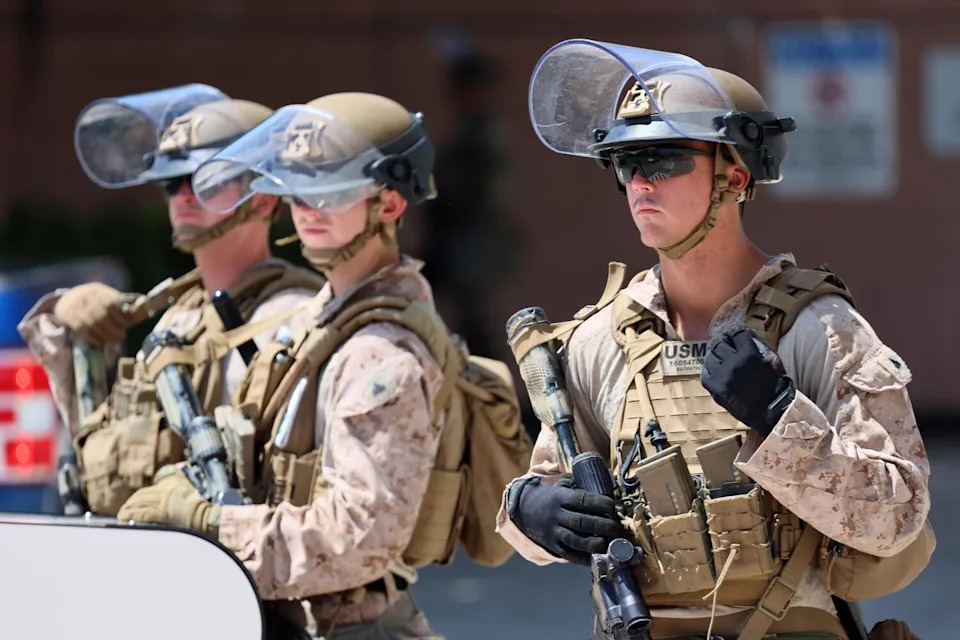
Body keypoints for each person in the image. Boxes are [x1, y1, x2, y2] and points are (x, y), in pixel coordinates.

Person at [497, 40, 932, 640]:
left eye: (666, 160)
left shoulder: (816, 328)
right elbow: (553, 492)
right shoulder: (603, 340)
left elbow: (899, 517)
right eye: (627, 164)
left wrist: (781, 420)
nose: (641, 183)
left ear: (734, 175)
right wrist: (531, 511)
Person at [118, 92, 529, 640]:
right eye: (298, 188)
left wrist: (207, 523)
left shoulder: (382, 352)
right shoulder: (327, 317)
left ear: (390, 205)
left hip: (351, 626)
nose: (308, 207)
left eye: (330, 188)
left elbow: (360, 538)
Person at [18, 85, 325, 516]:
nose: (183, 194)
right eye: (170, 182)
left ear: (262, 199)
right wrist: (66, 315)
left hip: (241, 566)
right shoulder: (177, 317)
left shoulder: (292, 317)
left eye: (206, 180)